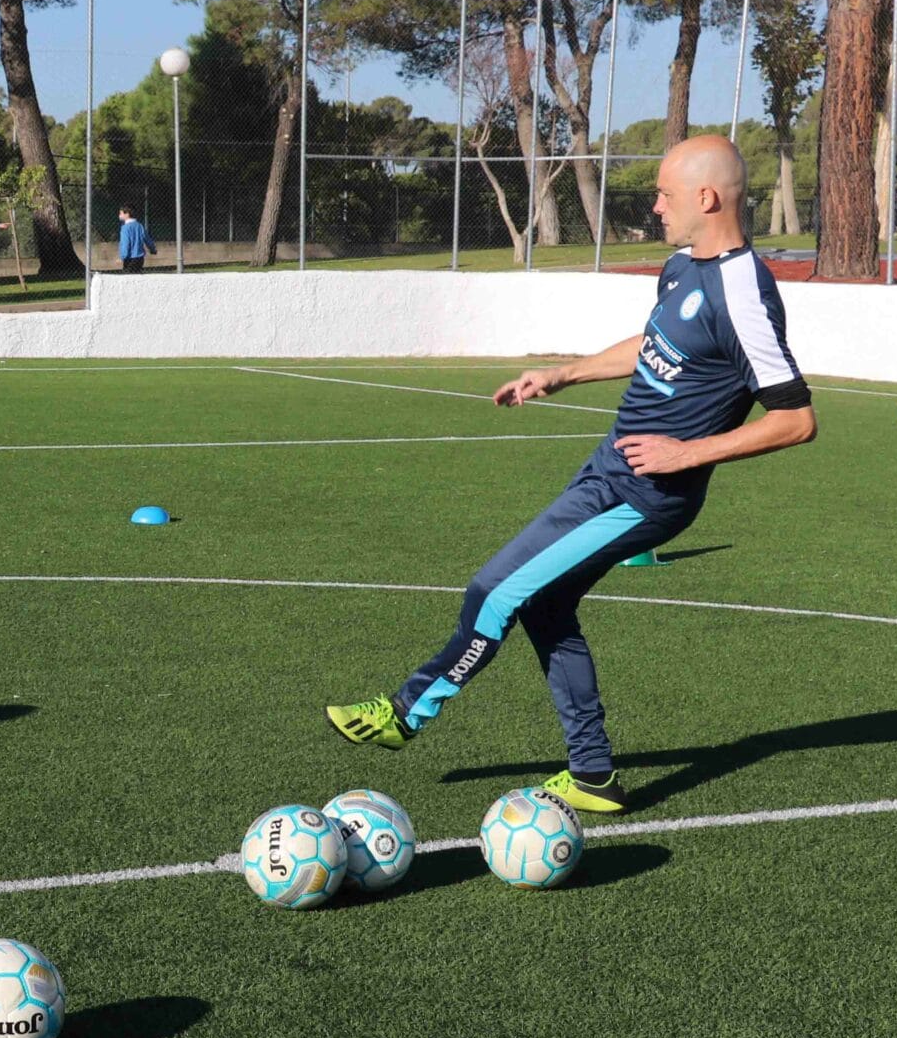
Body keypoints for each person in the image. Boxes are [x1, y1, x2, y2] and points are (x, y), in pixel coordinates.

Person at [323, 136, 817, 814]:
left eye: (666, 194)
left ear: (706, 198)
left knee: (494, 592)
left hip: (648, 495)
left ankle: (407, 711)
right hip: (607, 470)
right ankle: (593, 777)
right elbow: (654, 345)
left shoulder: (744, 294)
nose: (655, 205)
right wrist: (563, 373)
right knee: (546, 606)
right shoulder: (682, 267)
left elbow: (794, 419)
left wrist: (686, 454)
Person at [116, 205, 155, 273]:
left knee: (128, 277)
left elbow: (126, 243)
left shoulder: (125, 228)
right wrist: (152, 249)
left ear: (127, 214)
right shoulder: (139, 226)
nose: (119, 215)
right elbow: (147, 239)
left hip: (129, 259)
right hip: (140, 259)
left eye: (121, 213)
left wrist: (122, 257)